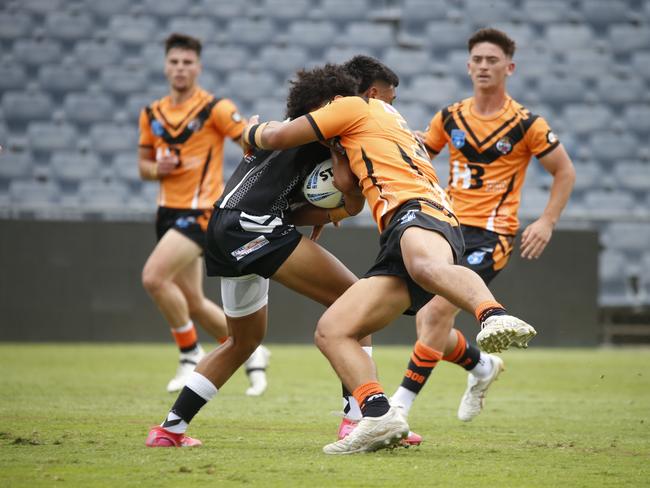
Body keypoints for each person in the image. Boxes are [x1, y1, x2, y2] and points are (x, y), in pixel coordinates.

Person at [239, 61, 537, 455]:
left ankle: (492, 314)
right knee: (333, 330)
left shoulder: (351, 106)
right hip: (409, 223)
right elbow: (349, 192)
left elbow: (277, 137)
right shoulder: (376, 121)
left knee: (426, 267)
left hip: (418, 210)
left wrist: (247, 131)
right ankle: (379, 415)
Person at [145, 64, 368, 448]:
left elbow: (290, 208)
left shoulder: (284, 133)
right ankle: (358, 419)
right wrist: (350, 190)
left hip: (224, 226)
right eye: (343, 102)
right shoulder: (319, 135)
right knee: (359, 302)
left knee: (242, 341)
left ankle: (169, 430)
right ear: (328, 104)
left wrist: (329, 212)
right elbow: (348, 189)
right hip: (253, 226)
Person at [389, 27, 576, 426]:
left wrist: (547, 220)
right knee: (427, 322)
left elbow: (564, 171)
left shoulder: (526, 124)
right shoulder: (450, 116)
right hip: (448, 228)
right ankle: (481, 368)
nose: (483, 66)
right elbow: (423, 160)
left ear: (509, 67)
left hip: (492, 235)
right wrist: (415, 145)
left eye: (492, 60)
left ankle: (398, 406)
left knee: (437, 313)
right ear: (468, 66)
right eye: (477, 60)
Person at [138, 33, 269, 396]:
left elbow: (246, 139)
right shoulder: (151, 113)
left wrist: (252, 132)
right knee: (192, 301)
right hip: (166, 211)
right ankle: (252, 349)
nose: (180, 68)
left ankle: (188, 353)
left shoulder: (215, 108)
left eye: (187, 62)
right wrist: (156, 169)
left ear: (198, 67)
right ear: (166, 66)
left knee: (153, 278)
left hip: (199, 211)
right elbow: (143, 166)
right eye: (174, 62)